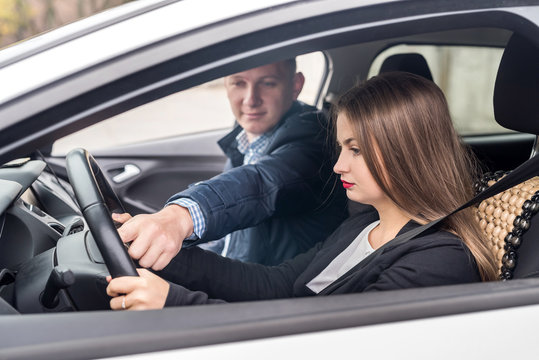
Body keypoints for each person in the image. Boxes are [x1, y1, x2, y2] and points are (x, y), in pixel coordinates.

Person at [107, 71, 498, 310]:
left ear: (406, 153)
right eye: (342, 147)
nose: (338, 166)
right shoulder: (363, 227)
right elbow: (277, 285)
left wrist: (174, 304)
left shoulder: (437, 261)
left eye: (355, 150)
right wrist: (164, 256)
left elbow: (320, 343)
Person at [112, 59, 348, 268]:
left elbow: (261, 183)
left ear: (295, 85)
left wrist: (178, 218)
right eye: (238, 83)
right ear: (226, 84)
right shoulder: (248, 137)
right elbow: (229, 243)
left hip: (274, 296)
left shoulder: (312, 141)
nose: (250, 100)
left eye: (267, 83)